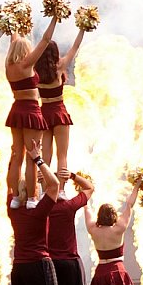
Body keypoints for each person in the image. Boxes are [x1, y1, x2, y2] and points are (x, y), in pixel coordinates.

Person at [8, 140, 66, 285]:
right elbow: (55, 185)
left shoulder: (12, 209)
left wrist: (15, 157)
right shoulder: (38, 211)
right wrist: (37, 158)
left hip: (19, 266)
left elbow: (10, 182)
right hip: (39, 263)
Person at [2, 15, 60, 198]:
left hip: (16, 110)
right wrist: (55, 18)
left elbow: (13, 41)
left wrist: (14, 24)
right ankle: (31, 197)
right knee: (32, 156)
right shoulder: (26, 64)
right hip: (31, 111)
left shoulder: (9, 66)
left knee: (16, 156)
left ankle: (15, 196)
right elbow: (45, 40)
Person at [85, 178, 140, 285]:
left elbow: (86, 207)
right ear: (113, 216)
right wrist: (137, 186)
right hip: (117, 271)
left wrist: (83, 191)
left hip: (101, 272)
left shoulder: (93, 229)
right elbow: (130, 205)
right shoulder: (119, 228)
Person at [47, 170, 94, 285]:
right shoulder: (67, 206)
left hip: (48, 262)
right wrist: (73, 176)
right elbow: (89, 188)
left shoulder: (42, 208)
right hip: (68, 261)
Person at [35, 25, 87, 180]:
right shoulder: (60, 66)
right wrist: (83, 28)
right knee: (62, 155)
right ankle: (61, 189)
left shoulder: (35, 70)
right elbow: (75, 47)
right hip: (59, 112)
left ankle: (44, 188)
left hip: (44, 113)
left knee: (45, 156)